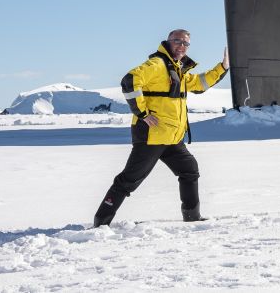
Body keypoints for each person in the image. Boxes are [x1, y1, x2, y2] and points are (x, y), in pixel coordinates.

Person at [92, 30, 229, 227]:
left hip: (171, 138)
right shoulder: (157, 65)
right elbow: (129, 81)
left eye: (186, 43)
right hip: (152, 136)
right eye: (177, 41)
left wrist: (223, 67)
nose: (182, 46)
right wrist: (143, 114)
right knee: (129, 180)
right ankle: (101, 222)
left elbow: (200, 83)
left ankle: (192, 217)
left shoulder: (178, 70)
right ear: (167, 42)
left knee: (189, 170)